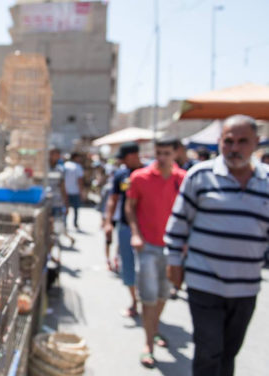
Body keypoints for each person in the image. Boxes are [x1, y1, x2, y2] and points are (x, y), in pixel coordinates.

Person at [164, 115, 268, 376]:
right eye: (228, 141)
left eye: (242, 141)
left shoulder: (266, 182)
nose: (234, 148)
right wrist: (173, 262)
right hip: (204, 282)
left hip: (245, 287)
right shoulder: (200, 175)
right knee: (209, 350)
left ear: (257, 142)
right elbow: (178, 224)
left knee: (229, 352)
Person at [125, 137, 186, 368]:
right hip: (148, 245)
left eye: (166, 153)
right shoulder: (140, 177)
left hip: (172, 247)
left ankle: (155, 327)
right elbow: (130, 207)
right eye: (158, 152)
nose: (162, 157)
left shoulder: (183, 179)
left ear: (175, 153)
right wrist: (135, 233)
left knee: (163, 292)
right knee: (148, 294)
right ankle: (148, 343)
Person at [104, 142, 143, 317]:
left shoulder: (148, 173)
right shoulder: (121, 174)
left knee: (147, 268)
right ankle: (135, 301)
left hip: (148, 229)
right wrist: (107, 222)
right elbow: (113, 199)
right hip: (126, 226)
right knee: (128, 266)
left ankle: (146, 301)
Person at [47, 148, 74, 248]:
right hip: (45, 203)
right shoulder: (44, 168)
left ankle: (56, 245)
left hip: (57, 202)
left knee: (58, 226)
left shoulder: (60, 169)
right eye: (55, 154)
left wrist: (66, 204)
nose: (57, 157)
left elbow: (63, 187)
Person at [63, 152, 84, 230]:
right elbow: (80, 180)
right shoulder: (78, 167)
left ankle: (65, 224)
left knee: (66, 208)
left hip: (66, 190)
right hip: (75, 191)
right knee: (75, 209)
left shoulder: (65, 165)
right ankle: (74, 223)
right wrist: (81, 191)